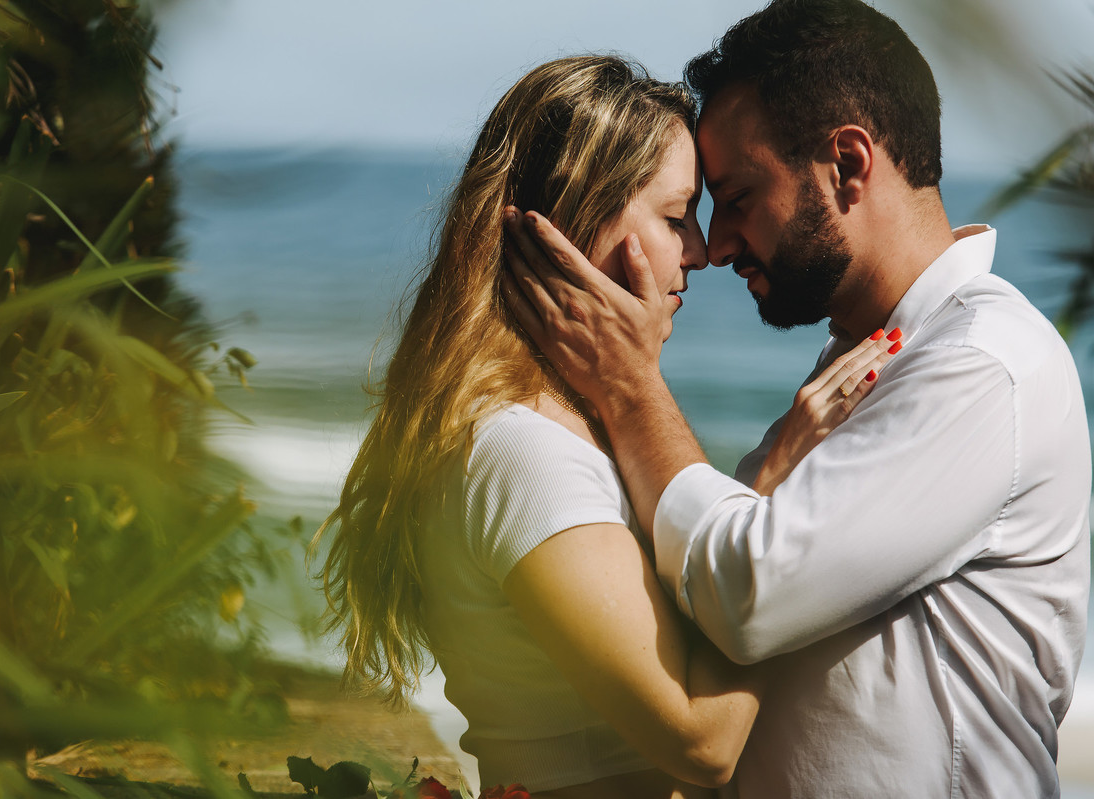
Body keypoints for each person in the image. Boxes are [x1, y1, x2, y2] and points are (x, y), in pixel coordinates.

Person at [503, 1, 1091, 797]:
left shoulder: (983, 364)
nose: (716, 246)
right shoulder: (861, 360)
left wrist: (630, 388)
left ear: (848, 164)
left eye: (738, 197)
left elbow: (749, 594)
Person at [313, 55, 897, 798]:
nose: (699, 251)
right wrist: (771, 480)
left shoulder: (552, 428)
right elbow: (702, 741)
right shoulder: (524, 454)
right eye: (674, 217)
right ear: (581, 216)